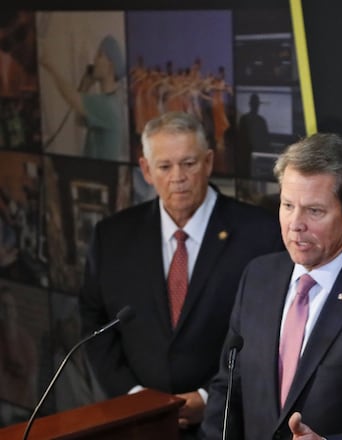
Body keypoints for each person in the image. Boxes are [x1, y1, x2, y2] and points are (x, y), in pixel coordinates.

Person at [201, 133, 342, 439]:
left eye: (314, 211)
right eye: (287, 205)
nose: (295, 223)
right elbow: (227, 389)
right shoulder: (258, 276)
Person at [79, 111, 283, 438]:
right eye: (165, 166)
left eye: (188, 163)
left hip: (227, 425)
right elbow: (95, 322)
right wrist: (134, 397)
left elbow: (271, 336)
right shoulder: (112, 236)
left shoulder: (261, 235)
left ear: (208, 162)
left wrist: (209, 397)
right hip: (138, 424)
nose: (178, 177)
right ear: (146, 169)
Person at [39, 35, 126, 161]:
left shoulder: (108, 105)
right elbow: (79, 120)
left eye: (99, 55)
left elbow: (71, 98)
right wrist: (85, 85)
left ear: (110, 66)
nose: (94, 60)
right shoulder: (107, 101)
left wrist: (50, 66)